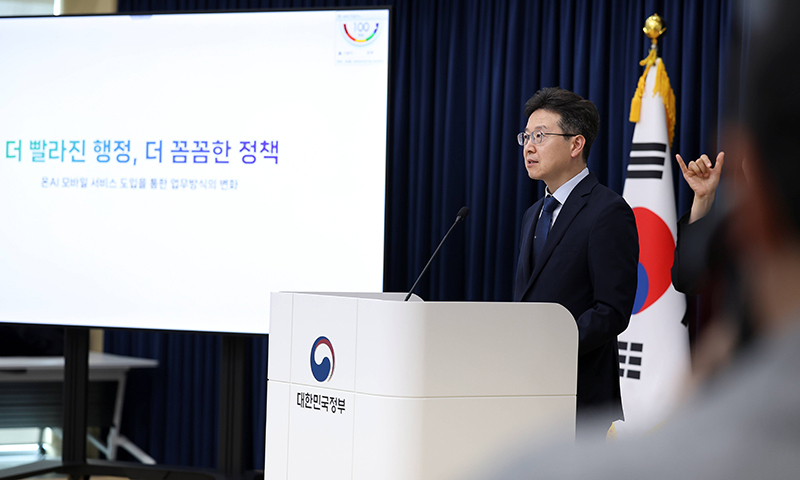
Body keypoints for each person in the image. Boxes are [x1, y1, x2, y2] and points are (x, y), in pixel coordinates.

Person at [513, 87, 639, 437]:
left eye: (540, 136)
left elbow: (612, 310)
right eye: (526, 136)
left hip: (581, 396)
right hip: (528, 389)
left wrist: (551, 348)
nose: (529, 147)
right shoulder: (532, 214)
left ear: (576, 144)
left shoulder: (608, 211)